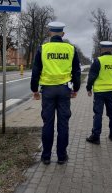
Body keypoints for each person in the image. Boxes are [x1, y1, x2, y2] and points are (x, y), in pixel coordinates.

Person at [31, 21, 81, 165]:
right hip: (64, 90)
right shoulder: (71, 49)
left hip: (47, 90)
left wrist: (35, 90)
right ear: (63, 34)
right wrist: (76, 89)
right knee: (63, 124)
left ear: (49, 33)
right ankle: (61, 156)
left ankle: (46, 156)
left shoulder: (43, 48)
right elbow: (76, 72)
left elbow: (35, 72)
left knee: (48, 123)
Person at [86, 41, 112, 145]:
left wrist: (88, 88)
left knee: (98, 114)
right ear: (111, 49)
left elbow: (92, 76)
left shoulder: (98, 61)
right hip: (111, 92)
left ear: (101, 49)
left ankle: (96, 137)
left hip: (100, 92)